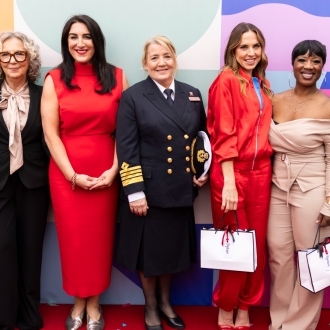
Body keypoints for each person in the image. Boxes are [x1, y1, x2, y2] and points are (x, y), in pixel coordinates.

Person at [41, 15, 128, 330]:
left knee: (100, 239)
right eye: (73, 37)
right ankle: (78, 301)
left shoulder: (118, 77)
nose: (80, 43)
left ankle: (95, 304)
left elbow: (125, 132)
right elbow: (51, 135)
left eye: (87, 36)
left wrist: (115, 170)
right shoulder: (54, 79)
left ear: (97, 41)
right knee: (74, 241)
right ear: (66, 43)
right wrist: (72, 175)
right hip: (67, 176)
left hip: (107, 171)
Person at [116, 35, 208, 330]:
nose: (161, 62)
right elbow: (126, 148)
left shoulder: (192, 94)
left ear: (175, 60)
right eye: (154, 58)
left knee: (170, 251)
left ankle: (167, 303)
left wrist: (202, 170)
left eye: (166, 56)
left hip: (181, 188)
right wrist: (134, 192)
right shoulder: (133, 97)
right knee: (149, 255)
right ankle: (152, 307)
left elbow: (201, 140)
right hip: (149, 192)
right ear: (145, 64)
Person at [207, 23, 273, 330]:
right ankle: (227, 306)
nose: (250, 53)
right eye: (244, 46)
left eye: (255, 46)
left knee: (255, 246)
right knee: (234, 247)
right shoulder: (226, 81)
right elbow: (224, 133)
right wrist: (230, 182)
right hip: (231, 174)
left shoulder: (261, 83)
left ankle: (246, 306)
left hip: (261, 173)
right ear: (233, 49)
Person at [267, 40, 330, 330]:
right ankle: (279, 320)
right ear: (292, 64)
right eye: (302, 60)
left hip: (315, 187)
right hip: (278, 185)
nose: (308, 66)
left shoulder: (328, 105)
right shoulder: (274, 99)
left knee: (309, 258)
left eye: (316, 61)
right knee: (279, 255)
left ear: (322, 67)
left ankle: (299, 325)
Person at [0, 31, 49, 330]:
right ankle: (5, 317)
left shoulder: (44, 94)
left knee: (32, 250)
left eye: (19, 54)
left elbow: (52, 138)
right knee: (3, 249)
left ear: (29, 58)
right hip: (1, 182)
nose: (12, 60)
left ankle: (29, 316)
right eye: (5, 55)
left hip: (35, 181)